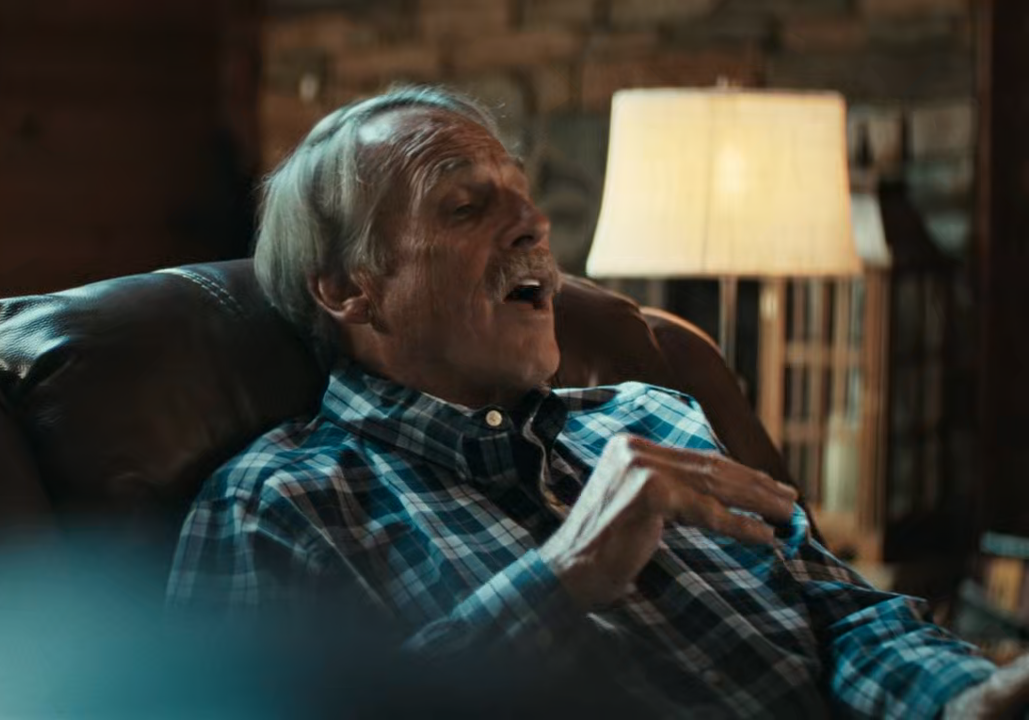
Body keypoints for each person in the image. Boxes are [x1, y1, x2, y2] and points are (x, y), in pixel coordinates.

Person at [166, 86, 1028, 718]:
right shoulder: (281, 505)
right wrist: (564, 576)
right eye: (466, 206)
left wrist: (964, 698)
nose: (534, 224)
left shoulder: (653, 416)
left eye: (523, 194)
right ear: (348, 288)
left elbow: (842, 615)